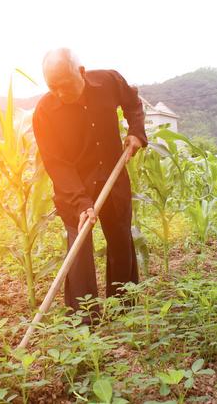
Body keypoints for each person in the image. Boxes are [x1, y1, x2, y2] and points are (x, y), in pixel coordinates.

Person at [32, 48, 148, 323]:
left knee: (120, 239)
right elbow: (57, 164)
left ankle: (124, 308)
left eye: (64, 85)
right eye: (52, 88)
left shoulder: (108, 82)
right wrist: (81, 203)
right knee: (79, 249)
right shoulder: (45, 113)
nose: (59, 93)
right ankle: (84, 319)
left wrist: (136, 132)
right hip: (75, 187)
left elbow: (133, 103)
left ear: (81, 73)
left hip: (113, 176)